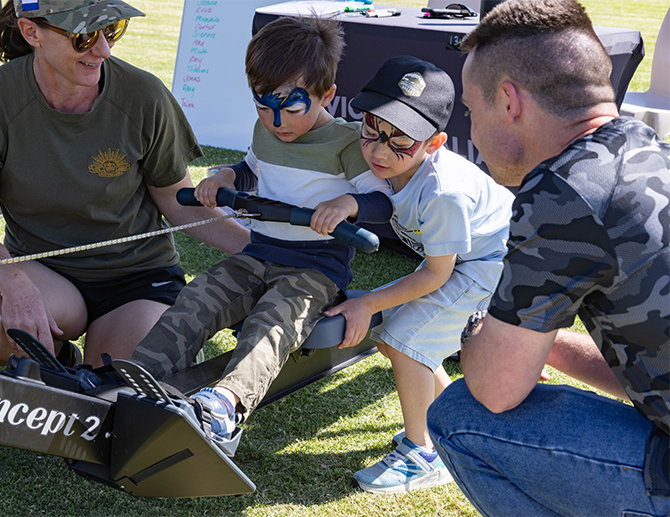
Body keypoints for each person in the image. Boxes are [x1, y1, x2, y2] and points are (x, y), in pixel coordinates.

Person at [426, 1, 670, 515]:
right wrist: (545, 343)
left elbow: (495, 390)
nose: (471, 127)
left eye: (472, 109)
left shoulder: (564, 192)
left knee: (460, 416)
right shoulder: (650, 150)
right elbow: (649, 361)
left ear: (509, 100)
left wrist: (476, 335)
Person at [128, 15, 392, 446]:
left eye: (290, 107)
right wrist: (225, 179)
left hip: (314, 269)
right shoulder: (266, 131)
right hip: (258, 254)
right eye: (262, 105)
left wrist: (347, 205)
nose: (275, 120)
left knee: (271, 323)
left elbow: (380, 200)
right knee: (197, 297)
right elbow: (250, 170)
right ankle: (139, 379)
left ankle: (225, 408)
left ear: (327, 95)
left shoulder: (345, 143)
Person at [0, 0, 250, 368]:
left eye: (112, 31)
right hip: (43, 272)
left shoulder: (144, 95)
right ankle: (56, 360)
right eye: (84, 35)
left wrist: (264, 250)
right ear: (31, 32)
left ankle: (64, 367)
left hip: (136, 280)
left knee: (125, 388)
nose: (103, 49)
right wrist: (14, 285)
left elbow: (178, 202)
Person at [320, 56, 514, 493]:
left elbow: (436, 275)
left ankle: (422, 452)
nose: (379, 151)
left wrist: (369, 301)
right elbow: (371, 191)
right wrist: (350, 204)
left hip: (495, 265)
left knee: (404, 339)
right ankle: (452, 427)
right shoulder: (387, 162)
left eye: (400, 142)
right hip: (465, 260)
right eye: (372, 131)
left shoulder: (444, 193)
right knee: (402, 342)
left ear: (434, 143)